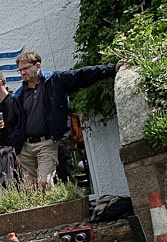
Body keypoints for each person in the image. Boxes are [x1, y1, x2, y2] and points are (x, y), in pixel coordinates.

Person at [12, 50, 124, 188]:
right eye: (20, 70)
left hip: (46, 142)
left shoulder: (54, 81)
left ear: (37, 65)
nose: (23, 73)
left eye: (26, 68)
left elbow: (82, 75)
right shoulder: (19, 95)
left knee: (45, 183)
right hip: (26, 148)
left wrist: (112, 69)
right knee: (29, 188)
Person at [0, 71, 25, 154]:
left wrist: (17, 150)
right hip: (4, 154)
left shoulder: (16, 102)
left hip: (21, 150)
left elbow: (23, 127)